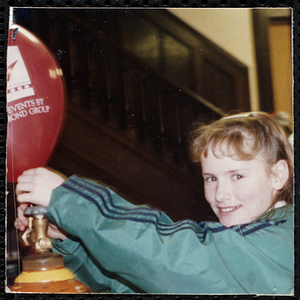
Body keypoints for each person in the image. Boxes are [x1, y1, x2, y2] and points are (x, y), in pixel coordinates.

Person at [14, 111, 294, 294]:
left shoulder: (284, 238)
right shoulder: (245, 233)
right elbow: (133, 277)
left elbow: (171, 259)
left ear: (278, 175)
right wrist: (71, 238)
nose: (221, 194)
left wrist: (70, 200)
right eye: (211, 179)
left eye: (237, 176)